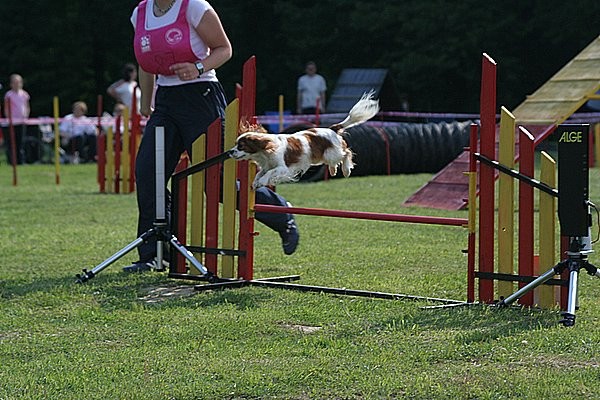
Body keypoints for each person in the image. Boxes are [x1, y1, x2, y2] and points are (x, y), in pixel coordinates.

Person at [126, 0, 299, 272]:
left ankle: (282, 216)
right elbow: (145, 62)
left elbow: (224, 49)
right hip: (166, 102)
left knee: (218, 180)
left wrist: (197, 67)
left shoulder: (194, 6)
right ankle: (155, 254)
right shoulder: (140, 13)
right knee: (149, 174)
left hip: (201, 96)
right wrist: (145, 102)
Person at [3, 74, 30, 165]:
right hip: (12, 122)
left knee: (20, 142)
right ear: (11, 84)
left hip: (21, 121)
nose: (17, 84)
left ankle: (20, 161)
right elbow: (6, 108)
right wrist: (9, 118)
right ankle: (11, 161)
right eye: (15, 83)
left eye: (18, 82)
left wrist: (26, 116)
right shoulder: (9, 95)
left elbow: (26, 106)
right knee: (11, 143)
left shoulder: (24, 94)